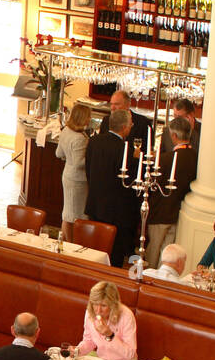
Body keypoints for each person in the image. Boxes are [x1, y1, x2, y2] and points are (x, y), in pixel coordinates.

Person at [85, 108, 141, 267]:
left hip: (95, 204)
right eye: (130, 125)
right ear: (124, 128)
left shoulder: (94, 141)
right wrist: (137, 160)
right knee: (114, 255)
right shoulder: (126, 150)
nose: (131, 127)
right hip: (116, 211)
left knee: (94, 249)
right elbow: (129, 181)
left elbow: (88, 170)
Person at [144, 116, 199, 269]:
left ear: (174, 136)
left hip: (160, 211)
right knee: (168, 251)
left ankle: (149, 279)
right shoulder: (196, 158)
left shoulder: (165, 159)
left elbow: (154, 186)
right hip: (179, 211)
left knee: (154, 250)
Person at [56, 103, 91, 241]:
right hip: (78, 180)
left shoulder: (66, 130)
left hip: (67, 175)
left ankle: (66, 241)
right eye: (88, 117)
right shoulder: (79, 138)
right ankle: (71, 243)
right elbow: (78, 163)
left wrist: (68, 157)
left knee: (68, 213)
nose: (89, 119)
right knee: (74, 215)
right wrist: (91, 159)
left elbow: (58, 153)